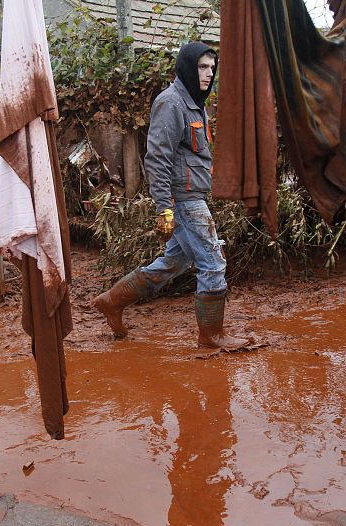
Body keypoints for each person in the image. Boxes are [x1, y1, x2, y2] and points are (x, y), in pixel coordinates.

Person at [93, 41, 249, 349]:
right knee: (213, 263)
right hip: (184, 199)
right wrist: (164, 207)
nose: (209, 74)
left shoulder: (194, 103)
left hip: (192, 195)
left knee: (174, 263)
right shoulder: (171, 103)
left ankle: (112, 301)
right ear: (188, 67)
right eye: (203, 67)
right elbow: (157, 157)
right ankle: (212, 334)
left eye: (212, 68)